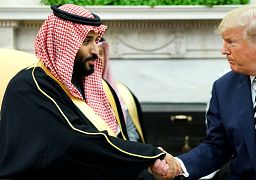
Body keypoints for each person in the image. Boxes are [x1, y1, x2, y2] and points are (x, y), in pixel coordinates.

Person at [0, 4, 168, 179]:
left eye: (96, 41)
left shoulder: (91, 87)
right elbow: (77, 141)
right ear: (62, 44)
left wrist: (148, 162)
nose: (95, 50)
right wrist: (149, 155)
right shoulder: (31, 86)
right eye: (86, 41)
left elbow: (117, 139)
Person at [151, 6, 256, 180]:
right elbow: (216, 147)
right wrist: (178, 165)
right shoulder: (223, 87)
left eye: (231, 42)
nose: (224, 50)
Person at [98, 38, 145, 143]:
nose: (96, 58)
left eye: (100, 53)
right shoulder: (76, 91)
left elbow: (131, 133)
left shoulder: (123, 94)